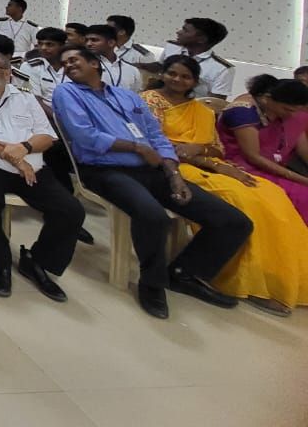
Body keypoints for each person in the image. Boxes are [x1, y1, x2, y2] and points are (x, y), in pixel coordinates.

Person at [53, 45, 252, 319]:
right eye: (64, 63)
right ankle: (152, 282)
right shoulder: (67, 92)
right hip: (104, 170)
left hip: (154, 169)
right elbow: (85, 137)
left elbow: (156, 137)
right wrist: (136, 148)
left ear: (95, 64)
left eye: (74, 60)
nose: (68, 66)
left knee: (234, 221)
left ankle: (185, 273)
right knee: (153, 216)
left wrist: (174, 174)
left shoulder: (126, 96)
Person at [143, 56, 308, 314]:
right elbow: (154, 143)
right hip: (171, 167)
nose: (178, 80)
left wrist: (206, 154)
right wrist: (205, 159)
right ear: (162, 73)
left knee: (272, 195)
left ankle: (276, 277)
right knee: (244, 204)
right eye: (172, 73)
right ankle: (243, 281)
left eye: (185, 76)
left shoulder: (202, 110)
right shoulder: (148, 101)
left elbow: (217, 149)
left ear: (195, 82)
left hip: (206, 164)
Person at [0, 46, 84, 302]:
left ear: (8, 72)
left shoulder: (25, 97)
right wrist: (13, 156)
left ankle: (37, 261)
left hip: (31, 167)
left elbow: (47, 136)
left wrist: (24, 150)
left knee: (71, 210)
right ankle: (0, 263)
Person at [218, 78, 308, 224]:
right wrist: (303, 180)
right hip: (241, 166)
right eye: (288, 110)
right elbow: (253, 157)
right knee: (302, 196)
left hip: (273, 167)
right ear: (267, 99)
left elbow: (303, 148)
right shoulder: (243, 111)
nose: (292, 115)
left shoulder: (284, 113)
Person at [159, 18, 234, 98]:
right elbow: (159, 69)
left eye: (185, 31)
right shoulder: (172, 47)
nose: (178, 32)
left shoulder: (222, 69)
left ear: (202, 39)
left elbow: (215, 102)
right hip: (159, 99)